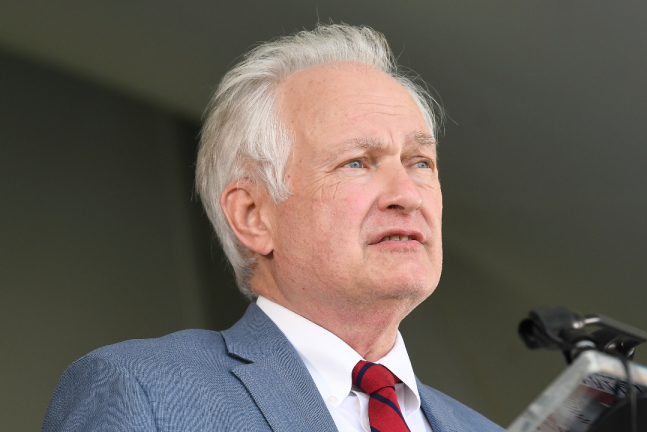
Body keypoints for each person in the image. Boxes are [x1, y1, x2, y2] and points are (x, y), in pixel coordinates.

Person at [42, 24, 505, 432]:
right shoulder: (147, 394)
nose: (406, 194)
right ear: (252, 217)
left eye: (419, 161)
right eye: (357, 162)